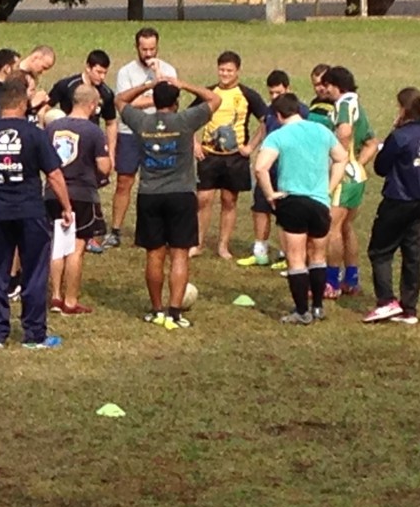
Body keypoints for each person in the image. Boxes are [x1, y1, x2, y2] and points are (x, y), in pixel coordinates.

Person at [0, 75, 73, 349]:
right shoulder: (35, 134)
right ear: (23, 103)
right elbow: (55, 175)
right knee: (34, 272)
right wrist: (67, 207)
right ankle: (34, 335)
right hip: (30, 212)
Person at [117, 77, 221, 330]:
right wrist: (185, 84)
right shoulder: (185, 120)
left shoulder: (142, 121)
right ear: (176, 102)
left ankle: (156, 310)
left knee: (154, 254)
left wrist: (146, 86)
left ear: (154, 102)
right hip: (181, 194)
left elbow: (119, 100)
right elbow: (215, 99)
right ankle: (174, 312)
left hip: (150, 195)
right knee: (179, 254)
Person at [253, 93, 347, 324]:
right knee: (318, 256)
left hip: (292, 201)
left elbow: (260, 168)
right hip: (319, 202)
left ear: (277, 114)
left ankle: (301, 311)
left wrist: (270, 194)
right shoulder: (322, 131)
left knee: (295, 257)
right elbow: (341, 158)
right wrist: (329, 187)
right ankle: (317, 307)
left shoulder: (278, 135)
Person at [362, 87, 420, 325]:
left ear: (403, 109)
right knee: (412, 255)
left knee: (380, 251)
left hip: (397, 201)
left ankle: (386, 302)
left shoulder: (400, 136)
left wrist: (393, 132)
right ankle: (409, 308)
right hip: (419, 201)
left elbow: (381, 167)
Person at [106, 27, 178, 250]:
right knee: (124, 181)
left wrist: (157, 80)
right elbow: (125, 104)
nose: (148, 54)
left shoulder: (168, 70)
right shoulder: (126, 72)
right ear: (136, 47)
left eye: (152, 49)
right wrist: (153, 94)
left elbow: (172, 102)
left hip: (159, 131)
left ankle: (154, 229)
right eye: (144, 49)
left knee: (158, 182)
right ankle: (115, 230)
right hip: (130, 132)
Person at [193, 50, 268, 260]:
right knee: (204, 199)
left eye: (229, 70)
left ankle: (223, 245)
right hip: (208, 155)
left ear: (237, 71)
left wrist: (251, 146)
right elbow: (187, 119)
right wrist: (195, 144)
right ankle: (197, 243)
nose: (224, 74)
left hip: (235, 157)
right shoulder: (208, 93)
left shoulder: (247, 95)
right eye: (221, 70)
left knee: (229, 200)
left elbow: (265, 120)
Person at [45, 84, 112, 315]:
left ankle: (54, 297)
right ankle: (70, 301)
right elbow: (104, 166)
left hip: (52, 193)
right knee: (76, 247)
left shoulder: (52, 127)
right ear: (92, 105)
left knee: (57, 245)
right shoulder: (93, 131)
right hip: (82, 194)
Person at [237, 70, 308, 270]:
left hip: (289, 169)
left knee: (286, 212)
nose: (275, 97)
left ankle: (288, 255)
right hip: (268, 168)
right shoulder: (270, 111)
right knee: (260, 208)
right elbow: (264, 129)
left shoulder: (300, 111)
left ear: (288, 88)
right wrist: (251, 147)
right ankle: (260, 252)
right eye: (271, 93)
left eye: (278, 93)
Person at [320, 66, 379, 298]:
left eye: (327, 86)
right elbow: (372, 142)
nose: (324, 90)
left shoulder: (344, 104)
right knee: (346, 227)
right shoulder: (358, 105)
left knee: (332, 227)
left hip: (343, 178)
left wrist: (340, 160)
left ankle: (332, 281)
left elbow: (344, 132)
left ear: (336, 85)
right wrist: (357, 165)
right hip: (356, 176)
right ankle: (351, 278)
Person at [308, 63, 335, 129]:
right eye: (317, 85)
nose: (321, 88)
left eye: (324, 84)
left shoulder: (340, 103)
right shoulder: (314, 104)